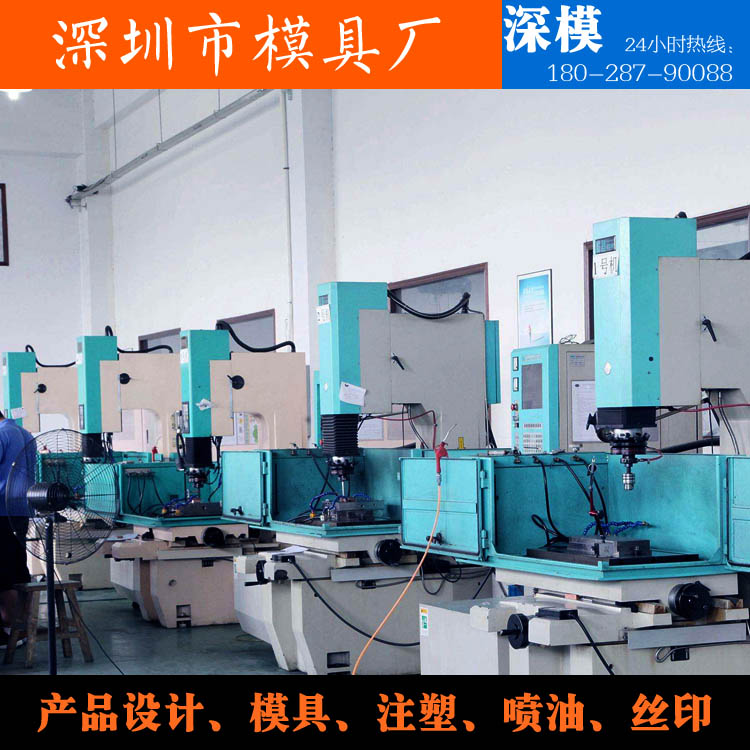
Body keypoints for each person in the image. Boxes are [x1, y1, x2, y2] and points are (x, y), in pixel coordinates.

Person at [0, 410, 35, 645]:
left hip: (1, 511)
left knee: (3, 574)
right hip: (20, 510)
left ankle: (10, 631)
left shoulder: (2, 435)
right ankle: (20, 627)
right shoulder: (25, 433)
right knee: (17, 568)